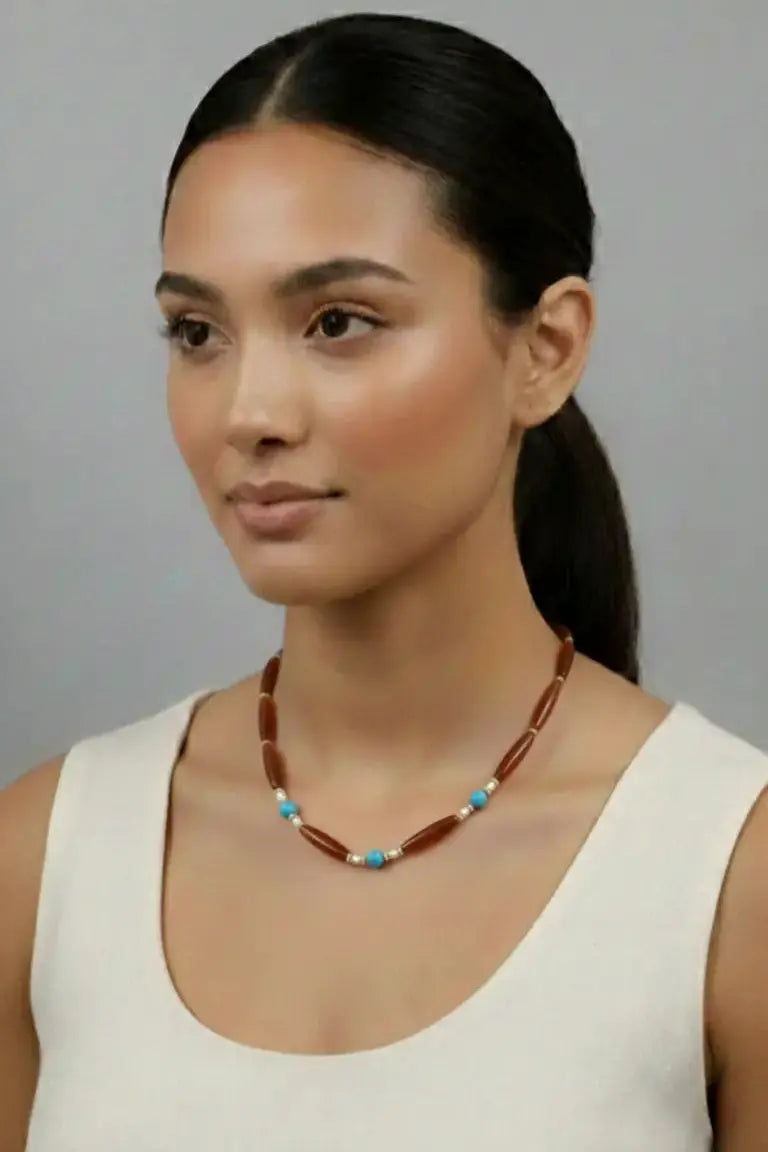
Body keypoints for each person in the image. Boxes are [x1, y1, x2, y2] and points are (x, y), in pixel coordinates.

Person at [2, 11, 767, 1150]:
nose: (250, 414)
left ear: (546, 349)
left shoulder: (728, 880)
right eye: (198, 331)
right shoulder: (47, 858)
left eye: (339, 321)